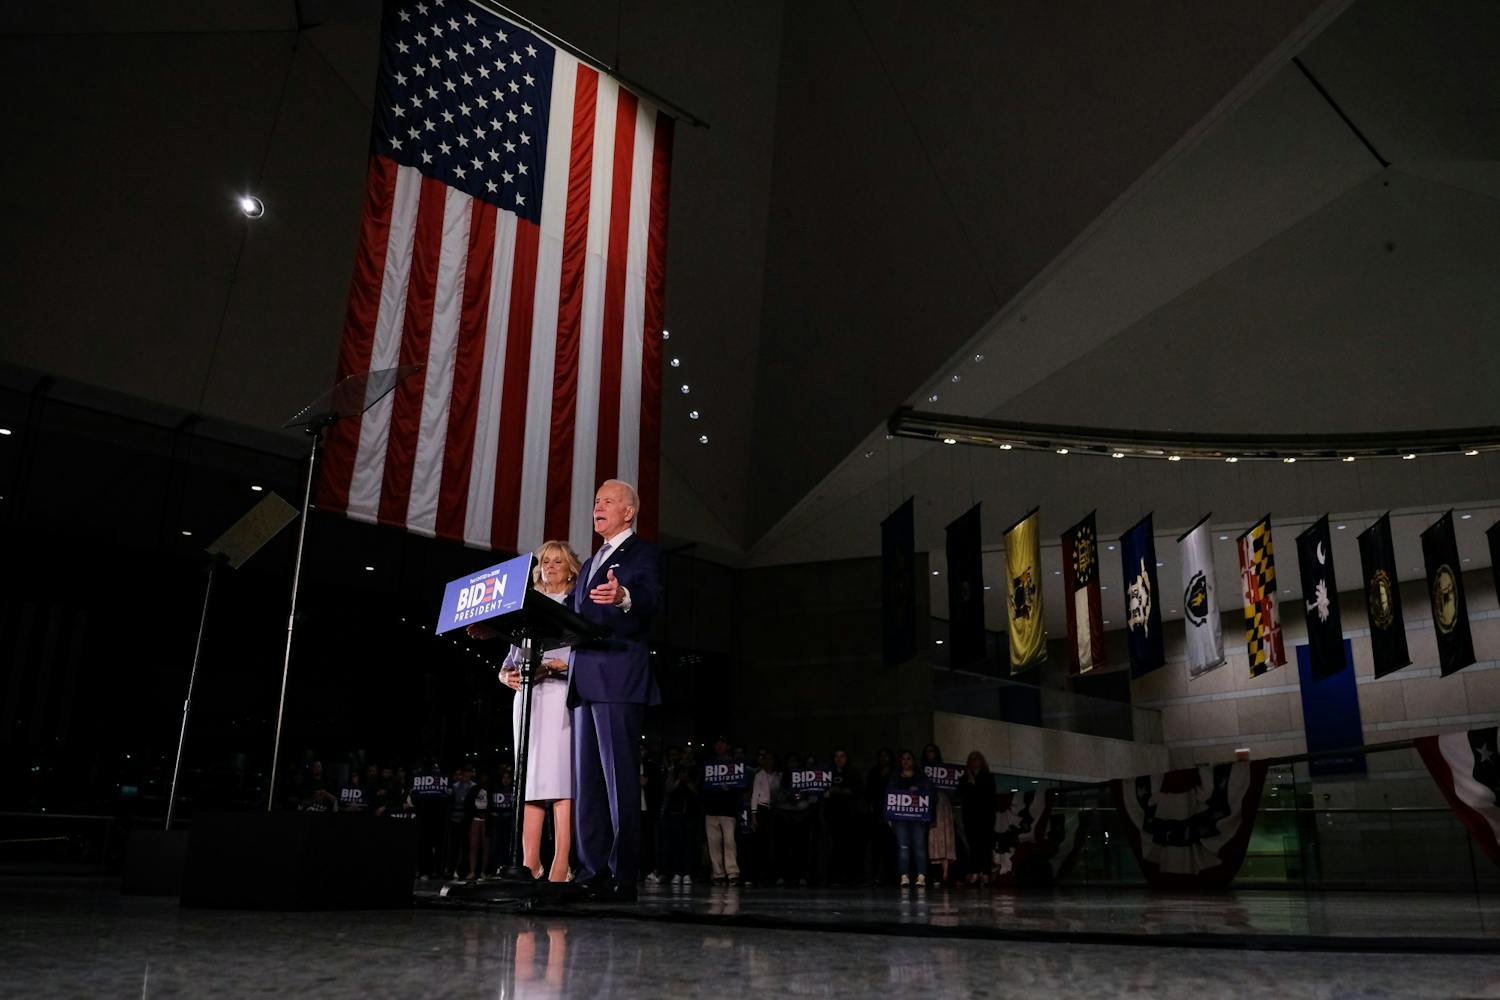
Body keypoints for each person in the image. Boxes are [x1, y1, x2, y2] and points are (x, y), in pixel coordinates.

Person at [567, 480, 662, 902]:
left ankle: (622, 875)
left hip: (619, 677)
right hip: (584, 680)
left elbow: (651, 597)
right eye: (595, 501)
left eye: (607, 501)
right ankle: (591, 872)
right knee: (587, 785)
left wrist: (623, 595)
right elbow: (565, 613)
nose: (597, 507)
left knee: (619, 783)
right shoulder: (589, 563)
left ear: (629, 512)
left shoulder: (643, 553)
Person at [471, 539, 582, 883]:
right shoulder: (526, 608)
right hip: (528, 699)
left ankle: (561, 863)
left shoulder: (575, 604)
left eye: (557, 562)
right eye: (545, 561)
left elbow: (580, 657)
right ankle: (530, 863)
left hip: (559, 697)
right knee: (530, 781)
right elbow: (510, 662)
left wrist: (549, 668)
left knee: (561, 781)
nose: (549, 566)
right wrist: (505, 675)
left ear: (570, 570)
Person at [702, 736, 742, 884]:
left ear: (728, 747)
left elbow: (740, 786)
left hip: (728, 810)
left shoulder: (735, 765)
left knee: (730, 842)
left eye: (722, 744)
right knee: (713, 843)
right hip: (711, 810)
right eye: (716, 744)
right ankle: (718, 874)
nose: (718, 747)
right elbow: (704, 786)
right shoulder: (709, 765)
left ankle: (732, 873)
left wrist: (730, 787)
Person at [888, 749, 930, 888]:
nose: (905, 761)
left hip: (917, 817)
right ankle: (904, 876)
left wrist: (917, 789)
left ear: (913, 760)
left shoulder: (921, 776)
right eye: (903, 759)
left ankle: (921, 876)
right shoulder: (895, 777)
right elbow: (889, 795)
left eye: (908, 758)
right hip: (900, 818)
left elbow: (929, 793)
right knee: (903, 846)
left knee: (919, 846)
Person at [823, 748, 863, 886]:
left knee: (851, 846)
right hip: (833, 816)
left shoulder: (853, 772)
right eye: (836, 756)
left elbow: (857, 791)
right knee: (835, 846)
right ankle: (836, 877)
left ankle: (853, 877)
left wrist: (837, 790)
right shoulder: (828, 773)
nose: (839, 759)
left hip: (851, 816)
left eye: (842, 756)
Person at [957, 750, 996, 886]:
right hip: (970, 817)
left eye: (977, 759)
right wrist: (969, 781)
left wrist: (974, 784)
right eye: (971, 759)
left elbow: (988, 796)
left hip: (985, 816)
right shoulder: (963, 779)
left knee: (985, 845)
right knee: (973, 845)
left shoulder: (989, 777)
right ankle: (974, 871)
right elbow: (959, 795)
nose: (974, 761)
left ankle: (985, 873)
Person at [923, 743, 957, 886]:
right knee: (931, 838)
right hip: (928, 805)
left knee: (945, 837)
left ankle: (946, 874)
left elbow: (954, 790)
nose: (930, 754)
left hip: (943, 805)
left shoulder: (945, 770)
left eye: (932, 751)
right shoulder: (922, 771)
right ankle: (934, 874)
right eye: (928, 751)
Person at [864, 747, 895, 884]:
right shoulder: (874, 771)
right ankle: (875, 875)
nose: (884, 758)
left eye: (886, 756)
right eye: (881, 756)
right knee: (876, 846)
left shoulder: (895, 772)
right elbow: (869, 791)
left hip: (892, 812)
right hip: (877, 812)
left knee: (891, 846)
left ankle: (890, 876)